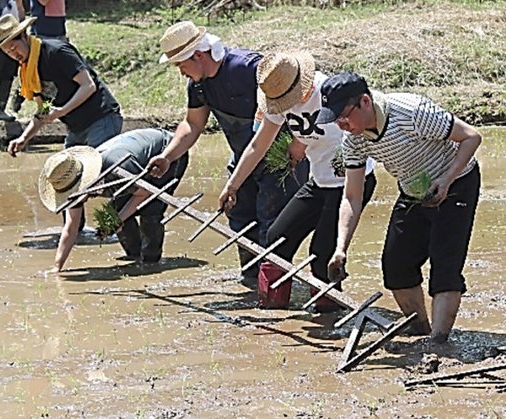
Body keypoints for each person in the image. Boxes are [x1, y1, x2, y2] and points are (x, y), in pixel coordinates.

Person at [321, 72, 482, 343]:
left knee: (445, 266)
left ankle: (438, 342)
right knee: (396, 266)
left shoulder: (411, 112)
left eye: (345, 116)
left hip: (457, 182)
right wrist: (340, 248)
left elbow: (471, 137)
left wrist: (447, 180)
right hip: (414, 190)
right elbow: (352, 196)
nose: (342, 125)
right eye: (336, 120)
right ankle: (420, 330)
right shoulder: (354, 141)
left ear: (365, 101)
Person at [219, 52, 377, 311]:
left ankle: (328, 318)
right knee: (277, 238)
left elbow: (360, 132)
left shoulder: (328, 95)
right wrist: (233, 185)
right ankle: (272, 308)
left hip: (349, 182)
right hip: (319, 181)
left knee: (321, 254)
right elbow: (259, 144)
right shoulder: (279, 100)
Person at [146, 21, 303, 282]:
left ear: (198, 55)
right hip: (243, 160)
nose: (182, 73)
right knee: (240, 218)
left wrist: (299, 145)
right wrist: (168, 155)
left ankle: (274, 287)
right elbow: (193, 124)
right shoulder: (198, 85)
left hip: (280, 161)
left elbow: (293, 101)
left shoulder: (249, 68)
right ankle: (252, 281)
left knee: (271, 223)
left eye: (181, 65)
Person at [39, 129, 189, 272]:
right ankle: (135, 255)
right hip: (134, 161)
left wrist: (115, 222)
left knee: (151, 210)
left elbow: (145, 194)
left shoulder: (116, 168)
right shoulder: (70, 182)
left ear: (85, 183)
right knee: (115, 210)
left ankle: (151, 263)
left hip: (168, 150)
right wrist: (57, 266)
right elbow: (70, 229)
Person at [0, 14, 123, 155]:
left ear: (24, 36)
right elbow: (43, 110)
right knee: (67, 171)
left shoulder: (56, 52)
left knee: (99, 169)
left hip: (101, 118)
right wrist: (24, 138)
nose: (13, 54)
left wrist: (61, 111)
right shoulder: (29, 71)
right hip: (76, 127)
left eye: (14, 47)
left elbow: (88, 86)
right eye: (8, 52)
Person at [11, 0, 67, 113]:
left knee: (53, 73)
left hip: (57, 28)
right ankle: (21, 93)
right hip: (43, 29)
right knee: (35, 69)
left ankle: (46, 108)